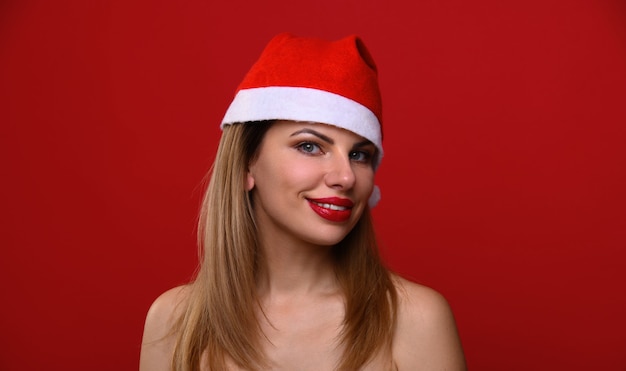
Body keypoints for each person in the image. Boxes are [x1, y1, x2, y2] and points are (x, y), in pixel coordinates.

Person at [139, 32, 466, 371]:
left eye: (359, 154)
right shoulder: (174, 323)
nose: (346, 176)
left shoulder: (416, 321)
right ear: (245, 165)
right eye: (310, 146)